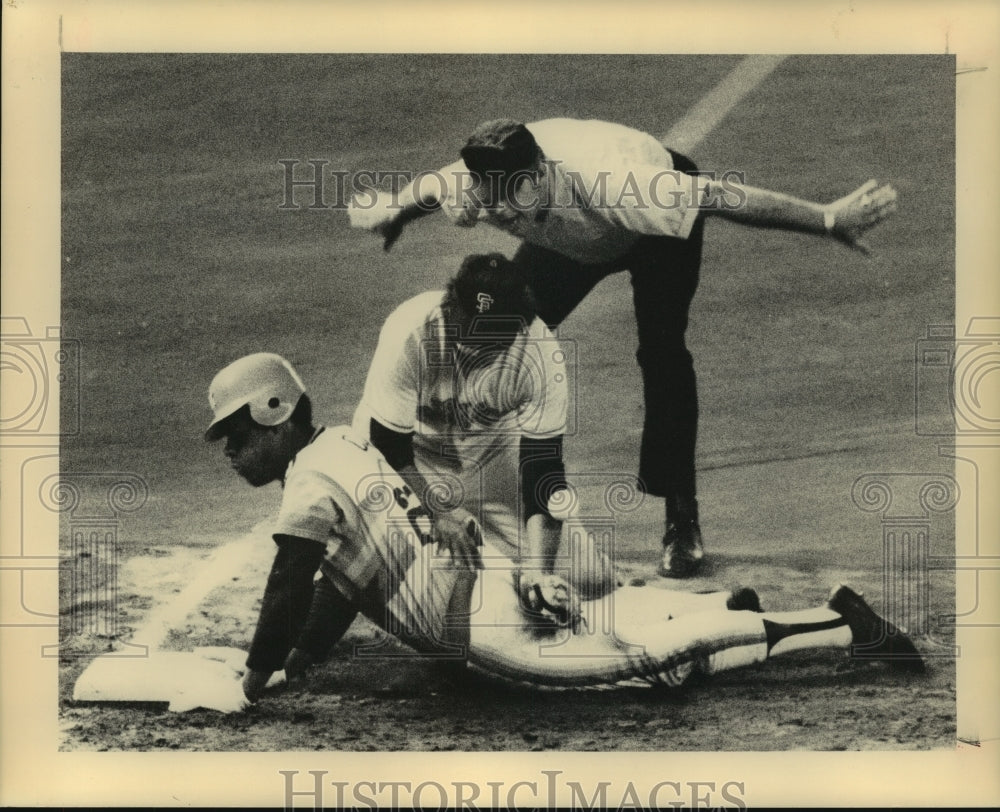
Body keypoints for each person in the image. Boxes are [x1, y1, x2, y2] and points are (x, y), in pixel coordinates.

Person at [202, 352, 924, 709]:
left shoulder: (309, 481)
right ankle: (716, 609)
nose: (232, 454)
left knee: (651, 669)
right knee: (605, 627)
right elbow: (336, 585)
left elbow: (291, 579)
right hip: (484, 593)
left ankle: (841, 626)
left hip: (484, 629)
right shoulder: (345, 448)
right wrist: (300, 657)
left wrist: (254, 676)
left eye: (236, 436)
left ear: (274, 411)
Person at [348, 117, 899, 579]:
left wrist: (828, 219)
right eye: (486, 191)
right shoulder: (470, 187)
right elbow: (425, 192)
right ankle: (449, 482)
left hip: (647, 235)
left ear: (538, 174)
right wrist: (394, 212)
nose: (496, 206)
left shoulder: (622, 184)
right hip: (572, 244)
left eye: (507, 190)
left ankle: (681, 516)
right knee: (498, 333)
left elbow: (726, 198)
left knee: (662, 351)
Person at [351, 251, 616, 606]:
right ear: (451, 308)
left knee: (592, 581)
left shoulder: (539, 352)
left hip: (488, 449)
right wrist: (438, 510)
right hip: (409, 456)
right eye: (472, 338)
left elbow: (543, 470)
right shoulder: (411, 330)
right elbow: (387, 442)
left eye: (493, 340)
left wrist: (539, 571)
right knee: (433, 582)